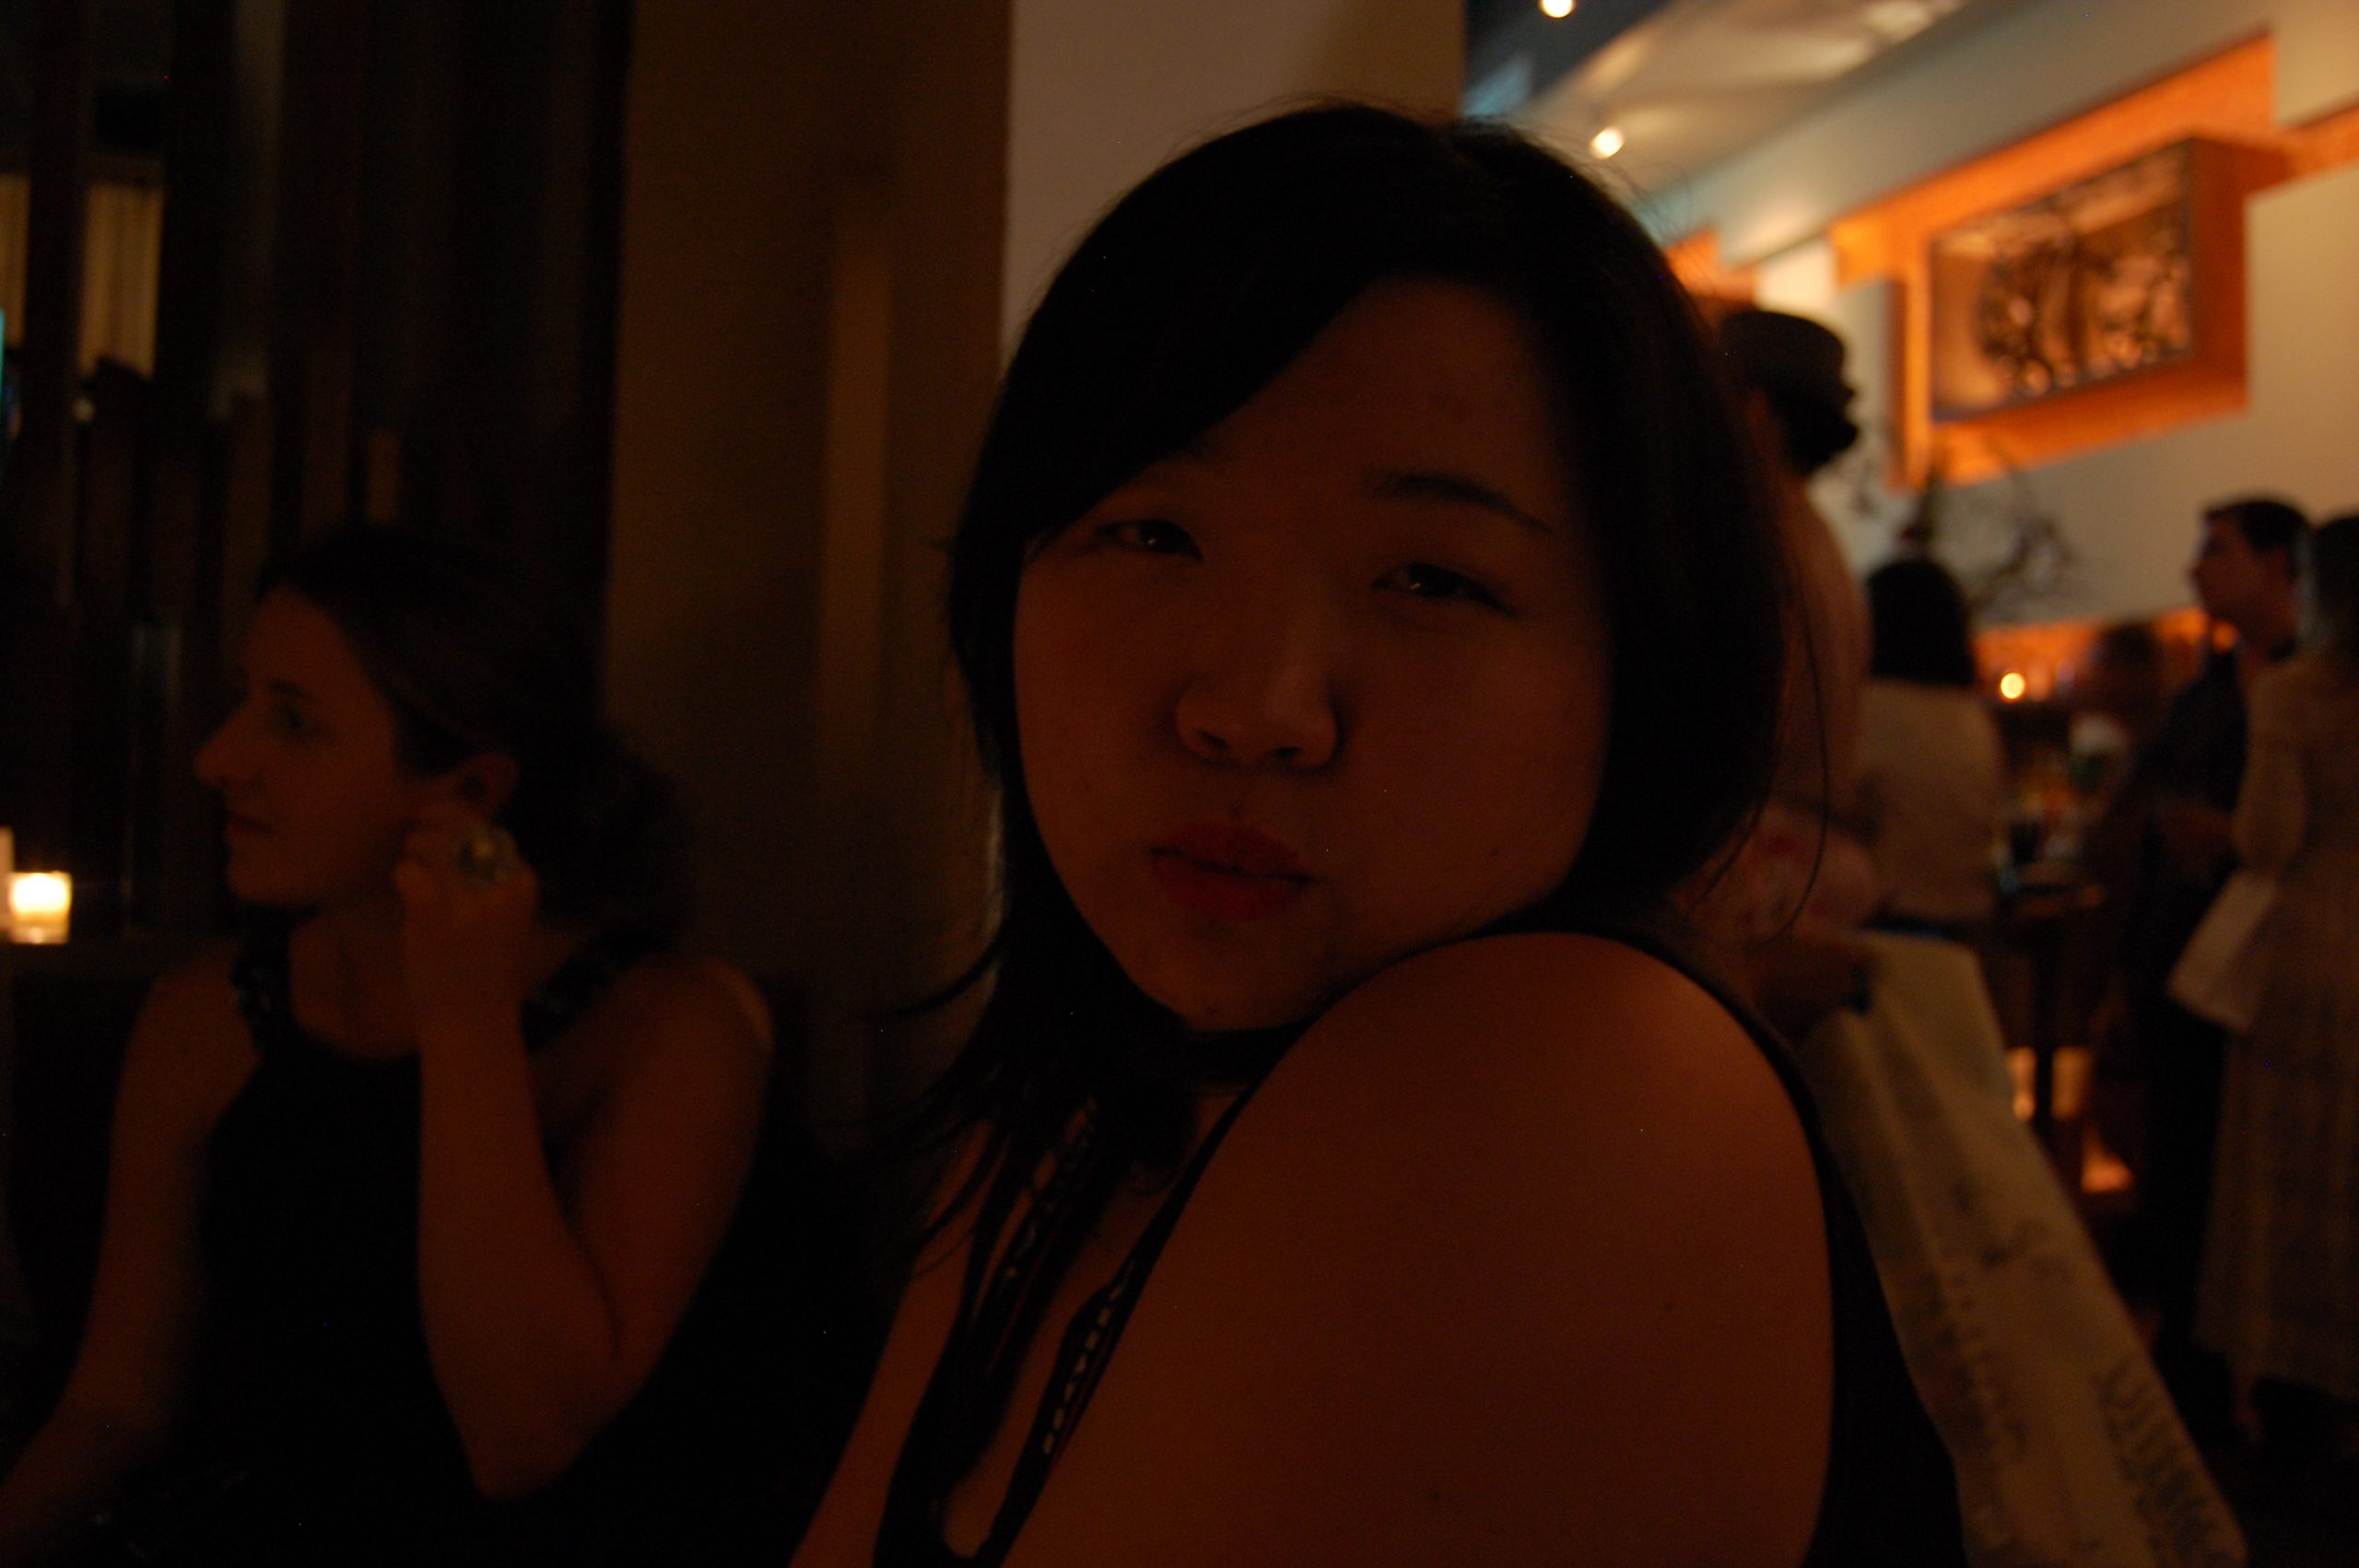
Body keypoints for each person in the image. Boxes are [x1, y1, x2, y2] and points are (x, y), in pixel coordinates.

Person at [792, 104, 1962, 1565]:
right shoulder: (1085, 1089)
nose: (1256, 710)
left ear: (1636, 663)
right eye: (1154, 532)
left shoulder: (1552, 1088)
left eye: (1431, 579)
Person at [0, 527, 854, 1565]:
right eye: (241, 701)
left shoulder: (670, 1029)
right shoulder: (209, 1016)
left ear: (473, 795)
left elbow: (521, 1435)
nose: (216, 759)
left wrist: (465, 1010)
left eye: (294, 722)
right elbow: (114, 1409)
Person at [2116, 495, 2307, 1434]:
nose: (2196, 568)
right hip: (2184, 965)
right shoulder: (2200, 694)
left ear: (2278, 564)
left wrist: (2230, 837)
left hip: (2284, 977)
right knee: (2180, 1167)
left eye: (2218, 550)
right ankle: (2189, 1367)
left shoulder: (2317, 686)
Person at [2198, 510, 2359, 1469]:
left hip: (2310, 953)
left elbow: (2267, 837)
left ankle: (2292, 1403)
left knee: (2289, 1185)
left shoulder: (2297, 693)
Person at [1687, 308, 1883, 1038]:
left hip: (1748, 874)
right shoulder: (1821, 543)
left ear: (1755, 410)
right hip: (1811, 864)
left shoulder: (1752, 546)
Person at [1855, 556, 2004, 937]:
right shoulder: (1973, 714)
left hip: (1893, 922)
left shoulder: (1873, 709)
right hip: (1969, 924)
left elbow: (1827, 808)